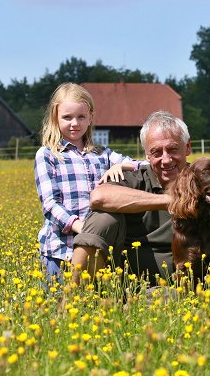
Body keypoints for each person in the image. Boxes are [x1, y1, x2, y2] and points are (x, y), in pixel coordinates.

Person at [71, 111, 210, 285]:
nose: (166, 160)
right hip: (128, 284)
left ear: (187, 147)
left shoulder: (209, 187)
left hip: (188, 291)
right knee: (102, 218)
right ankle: (78, 298)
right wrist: (173, 201)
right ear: (147, 155)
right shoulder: (136, 179)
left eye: (172, 149)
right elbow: (99, 197)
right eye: (156, 152)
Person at [35, 82, 141, 290]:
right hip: (60, 251)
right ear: (55, 117)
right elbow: (49, 204)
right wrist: (80, 227)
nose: (75, 123)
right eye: (67, 117)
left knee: (95, 308)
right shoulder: (48, 155)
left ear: (91, 117)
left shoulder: (103, 154)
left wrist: (120, 165)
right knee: (59, 310)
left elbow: (141, 165)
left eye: (81, 117)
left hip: (97, 249)